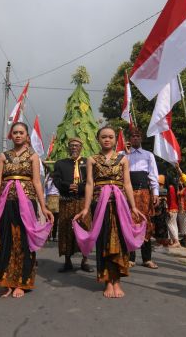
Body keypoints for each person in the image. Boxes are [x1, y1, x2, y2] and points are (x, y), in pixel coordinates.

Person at [0, 122, 54, 299]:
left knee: (24, 241)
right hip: (7, 202)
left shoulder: (33, 157)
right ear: (11, 136)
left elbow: (37, 183)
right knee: (7, 241)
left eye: (21, 133)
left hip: (27, 202)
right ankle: (7, 282)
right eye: (15, 132)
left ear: (26, 136)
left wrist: (44, 207)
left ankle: (21, 282)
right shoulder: (3, 156)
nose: (18, 135)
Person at [73, 126, 146, 298]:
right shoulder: (92, 159)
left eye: (110, 137)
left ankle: (118, 281)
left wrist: (133, 206)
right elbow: (90, 184)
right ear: (98, 139)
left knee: (120, 240)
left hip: (120, 204)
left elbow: (127, 184)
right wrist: (85, 208)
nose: (107, 139)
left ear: (115, 140)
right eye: (103, 137)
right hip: (100, 204)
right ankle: (107, 280)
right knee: (104, 240)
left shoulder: (123, 160)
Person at [52, 138, 93, 272]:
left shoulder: (88, 162)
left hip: (82, 201)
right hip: (66, 200)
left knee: (85, 229)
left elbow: (92, 181)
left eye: (77, 145)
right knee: (65, 230)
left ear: (81, 147)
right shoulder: (60, 163)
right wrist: (68, 186)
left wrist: (80, 187)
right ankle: (67, 261)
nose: (74, 147)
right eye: (71, 145)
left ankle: (85, 260)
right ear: (68, 148)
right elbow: (56, 180)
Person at [122, 127, 159, 269]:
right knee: (129, 223)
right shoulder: (122, 154)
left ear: (141, 138)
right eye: (133, 136)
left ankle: (147, 258)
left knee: (145, 223)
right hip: (126, 194)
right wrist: (125, 153)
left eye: (138, 136)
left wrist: (155, 193)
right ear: (129, 138)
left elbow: (153, 175)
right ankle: (130, 257)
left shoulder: (148, 155)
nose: (135, 138)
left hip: (144, 193)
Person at [44, 171, 60, 242]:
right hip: (50, 198)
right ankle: (50, 235)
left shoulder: (58, 179)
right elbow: (45, 189)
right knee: (50, 219)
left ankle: (52, 236)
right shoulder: (48, 178)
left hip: (56, 198)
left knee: (55, 219)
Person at [166, 181, 180, 247]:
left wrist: (169, 210)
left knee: (170, 224)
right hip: (175, 207)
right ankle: (175, 240)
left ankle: (176, 240)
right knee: (174, 224)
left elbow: (171, 199)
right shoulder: (174, 187)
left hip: (172, 208)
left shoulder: (170, 187)